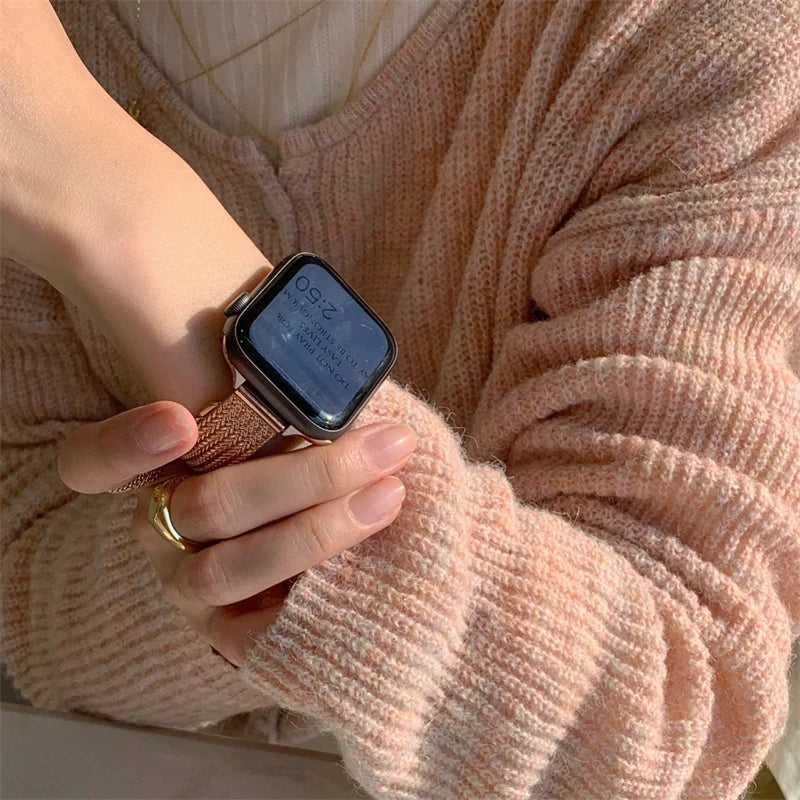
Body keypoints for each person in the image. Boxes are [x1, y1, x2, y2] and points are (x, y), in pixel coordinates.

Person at [1, 0, 798, 798]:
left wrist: (114, 204)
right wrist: (238, 553)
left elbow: (668, 727)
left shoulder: (700, 34)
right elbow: (28, 602)